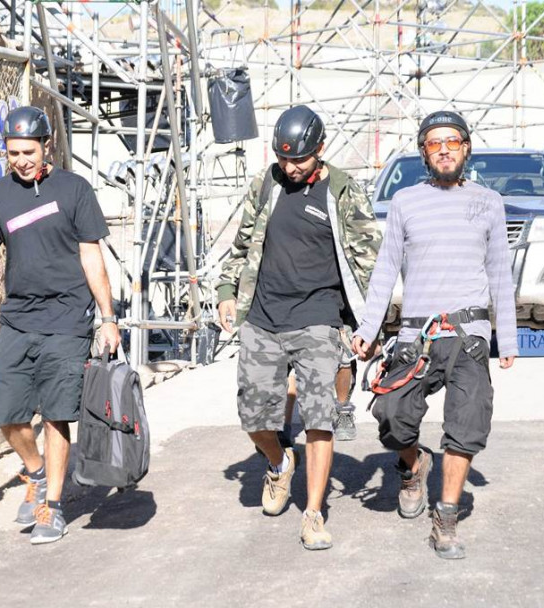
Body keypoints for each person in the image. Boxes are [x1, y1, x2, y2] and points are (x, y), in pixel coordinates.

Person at [0, 106, 120, 545]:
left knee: (58, 415)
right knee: (5, 414)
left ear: (47, 147)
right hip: (18, 321)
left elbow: (91, 256)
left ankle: (53, 506)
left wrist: (108, 318)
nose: (20, 159)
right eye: (12, 152)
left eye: (28, 151)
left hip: (67, 320)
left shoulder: (74, 189)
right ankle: (37, 471)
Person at [352, 110, 517, 560]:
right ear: (424, 152)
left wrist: (509, 337)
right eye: (433, 142)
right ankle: (413, 464)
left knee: (466, 427)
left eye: (452, 141)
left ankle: (446, 518)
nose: (444, 148)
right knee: (390, 415)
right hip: (415, 335)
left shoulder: (489, 202)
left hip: (469, 334)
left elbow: (499, 270)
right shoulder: (405, 201)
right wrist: (369, 329)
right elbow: (385, 270)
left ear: (466, 147)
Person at [217, 105, 381, 549]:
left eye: (300, 160)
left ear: (320, 150)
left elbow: (369, 259)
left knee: (319, 418)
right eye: (284, 158)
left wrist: (373, 323)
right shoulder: (265, 184)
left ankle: (313, 514)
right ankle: (278, 464)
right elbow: (242, 243)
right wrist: (226, 291)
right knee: (253, 414)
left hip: (319, 318)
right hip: (264, 318)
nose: (290, 167)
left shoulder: (343, 190)